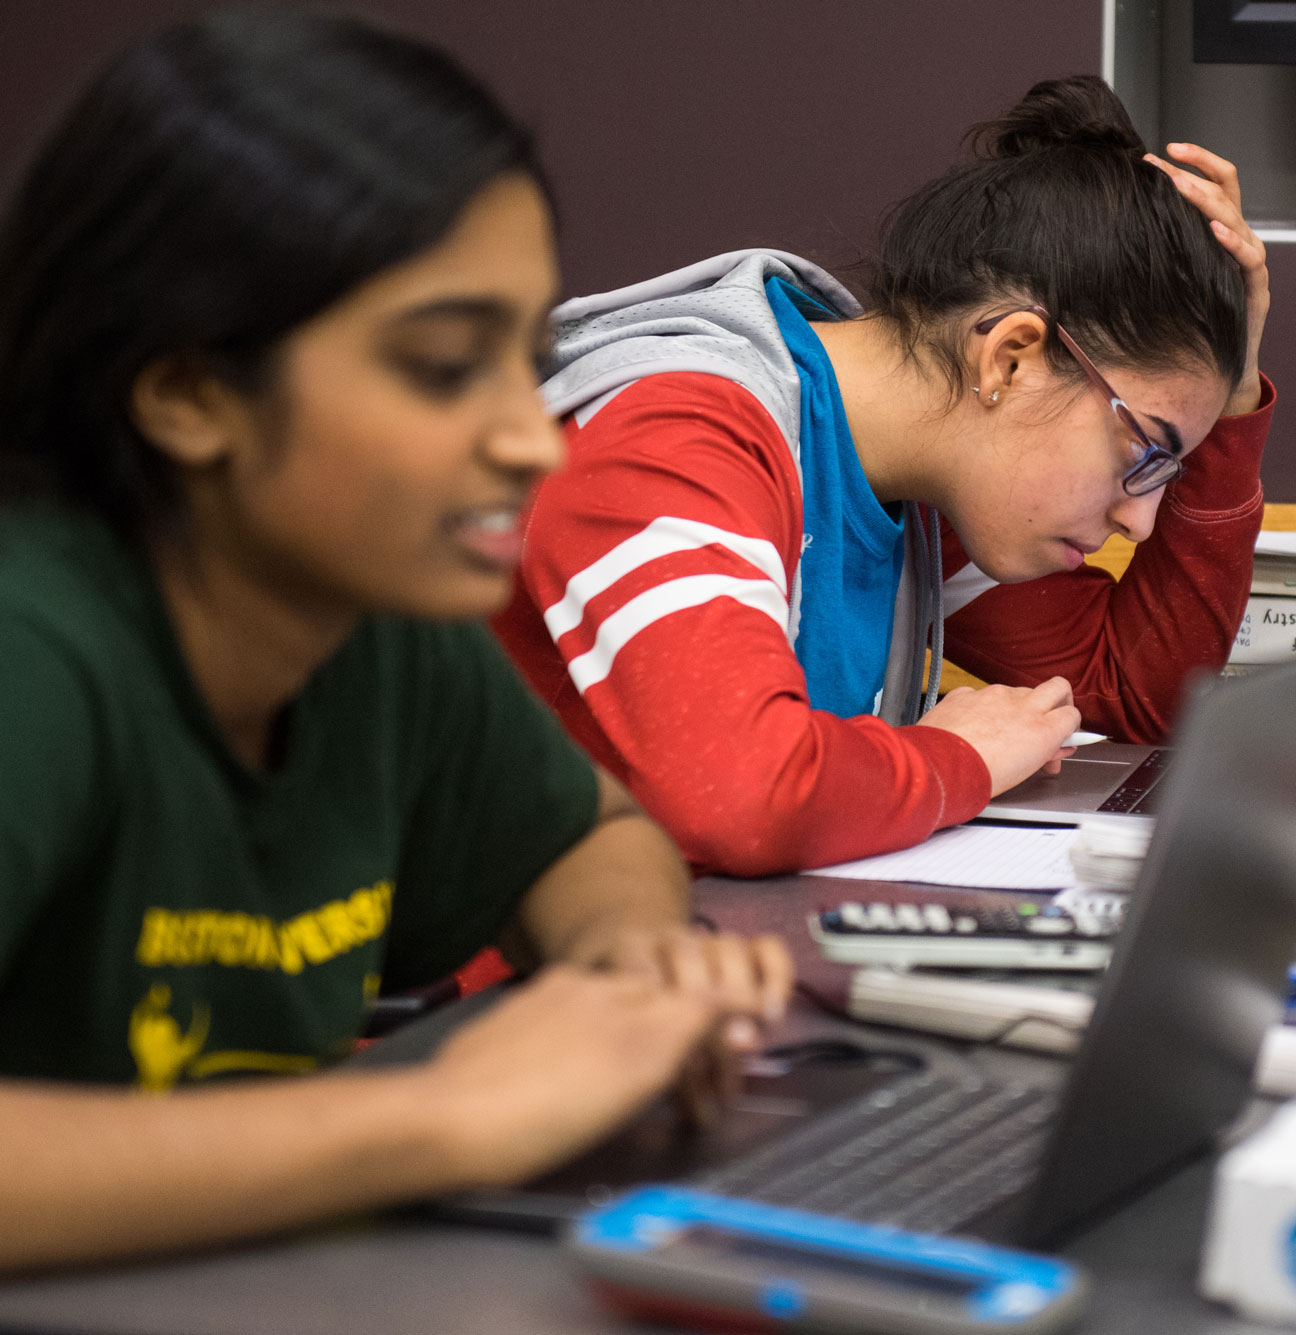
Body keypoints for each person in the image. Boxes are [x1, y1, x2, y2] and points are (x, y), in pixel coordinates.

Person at [0, 10, 789, 1271]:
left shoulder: (362, 617)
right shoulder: (36, 644)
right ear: (190, 391)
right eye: (440, 368)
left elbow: (588, 833)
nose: (531, 436)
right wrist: (439, 1118)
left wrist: (626, 968)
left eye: (521, 363)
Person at [495, 75, 1273, 876]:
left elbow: (1138, 693)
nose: (1141, 522)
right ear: (1010, 357)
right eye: (1143, 452)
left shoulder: (918, 483)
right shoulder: (678, 434)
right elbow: (742, 797)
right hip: (488, 988)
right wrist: (953, 756)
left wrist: (1236, 388)